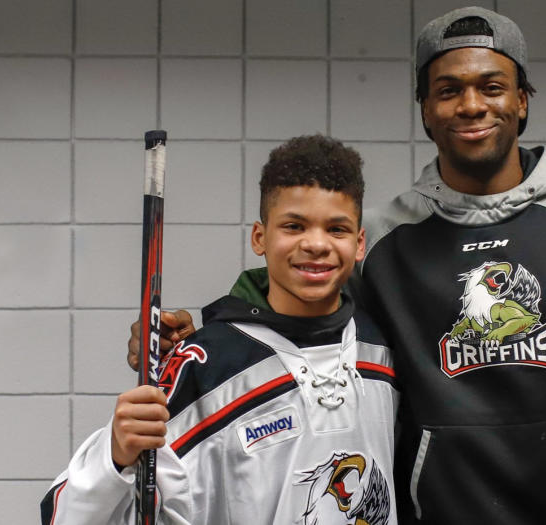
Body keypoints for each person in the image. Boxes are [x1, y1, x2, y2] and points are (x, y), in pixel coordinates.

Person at [130, 7, 546, 524]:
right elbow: (290, 303)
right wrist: (199, 329)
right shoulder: (380, 237)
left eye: (492, 87)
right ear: (425, 109)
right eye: (448, 90)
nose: (471, 105)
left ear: (522, 100)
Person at [43, 135, 399, 524]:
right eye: (294, 226)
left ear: (360, 242)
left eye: (337, 229)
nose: (316, 244)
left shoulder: (381, 345)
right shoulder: (209, 365)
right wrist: (114, 454)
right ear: (260, 237)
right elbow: (67, 516)